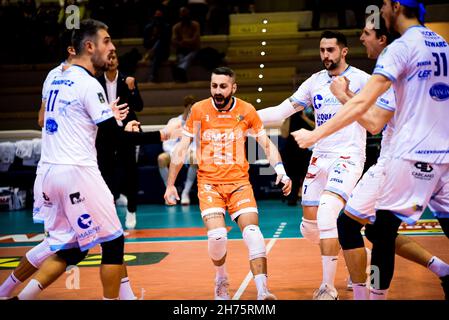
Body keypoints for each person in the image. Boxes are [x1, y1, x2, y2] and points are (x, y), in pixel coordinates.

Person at [292, 0, 449, 300]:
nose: (362, 38)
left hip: (405, 158)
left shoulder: (399, 51)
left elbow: (373, 120)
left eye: (366, 33)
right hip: (443, 155)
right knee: (378, 229)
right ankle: (442, 269)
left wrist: (317, 133)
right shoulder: (440, 43)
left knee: (367, 230)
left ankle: (367, 295)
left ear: (396, 9)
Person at [15, 19, 177, 300]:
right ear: (88, 47)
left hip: (49, 172)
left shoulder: (54, 76)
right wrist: (161, 134)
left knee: (69, 249)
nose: (112, 47)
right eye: (106, 41)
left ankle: (13, 295)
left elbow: (44, 120)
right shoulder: (89, 85)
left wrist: (99, 122)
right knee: (112, 244)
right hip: (80, 174)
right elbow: (114, 138)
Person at [258, 30, 374, 300]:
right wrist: (243, 115)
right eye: (322, 50)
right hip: (320, 156)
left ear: (344, 51)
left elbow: (375, 118)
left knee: (326, 217)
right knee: (310, 229)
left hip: (348, 156)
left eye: (331, 50)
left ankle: (327, 287)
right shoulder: (315, 82)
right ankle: (357, 251)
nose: (325, 55)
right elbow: (280, 112)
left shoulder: (362, 80)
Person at [164, 67, 292, 300]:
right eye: (214, 86)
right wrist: (171, 184)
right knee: (217, 236)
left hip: (239, 183)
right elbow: (181, 149)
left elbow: (266, 144)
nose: (218, 91)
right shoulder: (199, 110)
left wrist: (281, 171)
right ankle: (221, 278)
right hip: (209, 183)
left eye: (223, 86)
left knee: (253, 233)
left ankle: (263, 291)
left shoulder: (247, 110)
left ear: (233, 87)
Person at [97, 52, 143, 230]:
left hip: (126, 131)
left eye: (114, 57)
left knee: (130, 170)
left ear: (118, 61)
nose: (110, 60)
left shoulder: (127, 80)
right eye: (107, 58)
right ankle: (111, 207)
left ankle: (131, 210)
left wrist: (132, 89)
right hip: (104, 133)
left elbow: (139, 106)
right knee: (105, 171)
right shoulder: (96, 83)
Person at [158, 95, 197, 205]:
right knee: (161, 158)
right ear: (186, 107)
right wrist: (176, 152)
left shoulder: (197, 124)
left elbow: (196, 144)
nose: (192, 112)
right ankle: (169, 192)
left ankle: (185, 192)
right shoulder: (174, 121)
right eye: (190, 108)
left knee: (195, 158)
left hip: (189, 152)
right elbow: (166, 143)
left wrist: (187, 151)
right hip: (173, 152)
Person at [171, 6, 201, 82]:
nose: (184, 17)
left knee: (188, 57)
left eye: (186, 15)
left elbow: (195, 39)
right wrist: (181, 43)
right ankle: (182, 74)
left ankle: (179, 69)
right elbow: (173, 40)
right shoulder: (176, 27)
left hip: (193, 49)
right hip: (182, 49)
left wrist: (185, 41)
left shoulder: (195, 25)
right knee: (181, 57)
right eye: (182, 15)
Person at [142, 9, 172, 83]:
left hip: (163, 52)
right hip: (151, 52)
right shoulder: (148, 28)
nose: (158, 19)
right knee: (157, 55)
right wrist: (154, 37)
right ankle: (153, 75)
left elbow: (166, 42)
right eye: (156, 17)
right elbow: (145, 44)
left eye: (159, 17)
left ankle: (152, 76)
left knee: (160, 44)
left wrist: (159, 35)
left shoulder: (166, 27)